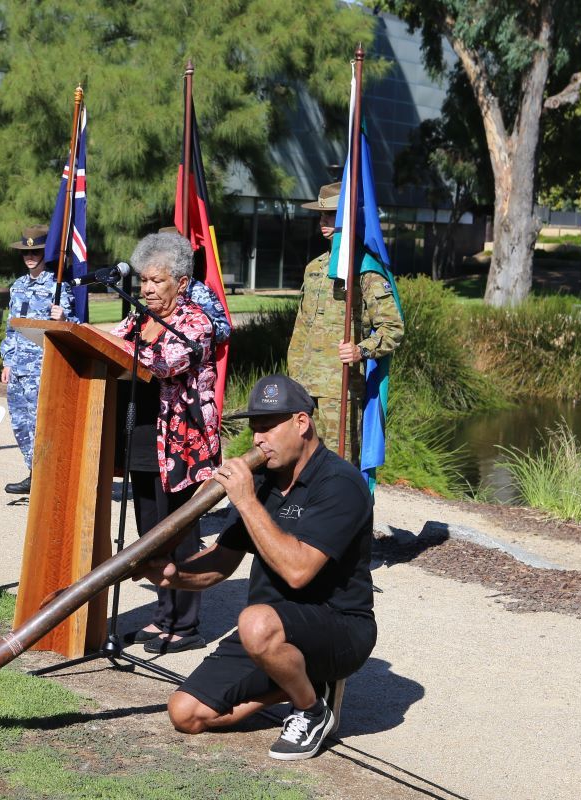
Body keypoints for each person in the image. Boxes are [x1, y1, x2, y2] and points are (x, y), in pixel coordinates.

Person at [135, 374, 376, 761]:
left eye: (268, 427)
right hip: (266, 634)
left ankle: (312, 710)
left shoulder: (340, 484)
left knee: (255, 621)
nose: (258, 439)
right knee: (186, 713)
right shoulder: (263, 482)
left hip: (340, 628)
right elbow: (220, 563)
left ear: (302, 423)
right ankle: (305, 685)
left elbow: (298, 571)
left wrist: (246, 500)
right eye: (254, 429)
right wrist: (173, 575)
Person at [86, 231, 220, 654]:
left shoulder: (196, 323)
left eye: (156, 281)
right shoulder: (137, 319)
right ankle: (163, 616)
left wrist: (122, 349)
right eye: (143, 280)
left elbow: (163, 364)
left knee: (178, 534)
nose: (145, 288)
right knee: (149, 534)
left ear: (181, 283)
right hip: (141, 440)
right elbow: (109, 346)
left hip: (181, 446)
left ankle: (185, 625)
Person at [288, 182, 404, 455]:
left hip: (339, 390)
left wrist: (360, 350)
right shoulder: (314, 267)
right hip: (304, 386)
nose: (323, 221)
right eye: (321, 214)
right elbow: (302, 327)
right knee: (302, 462)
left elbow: (393, 328)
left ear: (348, 219)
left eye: (331, 215)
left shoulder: (364, 269)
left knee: (339, 466)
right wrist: (293, 376)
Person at [0, 224, 75, 494]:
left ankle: (49, 477)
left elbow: (75, 327)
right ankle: (35, 472)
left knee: (42, 423)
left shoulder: (57, 286)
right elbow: (11, 327)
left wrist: (64, 319)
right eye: (26, 253)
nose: (30, 257)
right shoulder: (17, 286)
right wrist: (7, 361)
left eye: (36, 252)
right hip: (18, 367)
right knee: (21, 424)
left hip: (43, 367)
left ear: (45, 252)